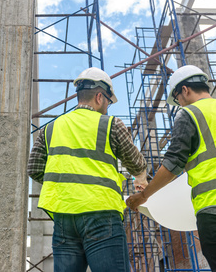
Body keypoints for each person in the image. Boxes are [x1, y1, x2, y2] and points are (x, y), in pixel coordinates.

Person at [126, 65, 216, 272]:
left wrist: (144, 196)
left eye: (177, 98)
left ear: (184, 90)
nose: (179, 103)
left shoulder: (189, 114)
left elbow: (172, 163)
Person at [28, 67, 148, 272]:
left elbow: (34, 168)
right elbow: (136, 163)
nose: (108, 108)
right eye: (109, 102)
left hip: (64, 217)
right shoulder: (111, 124)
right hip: (102, 214)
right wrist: (141, 178)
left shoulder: (51, 128)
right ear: (100, 97)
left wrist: (64, 185)